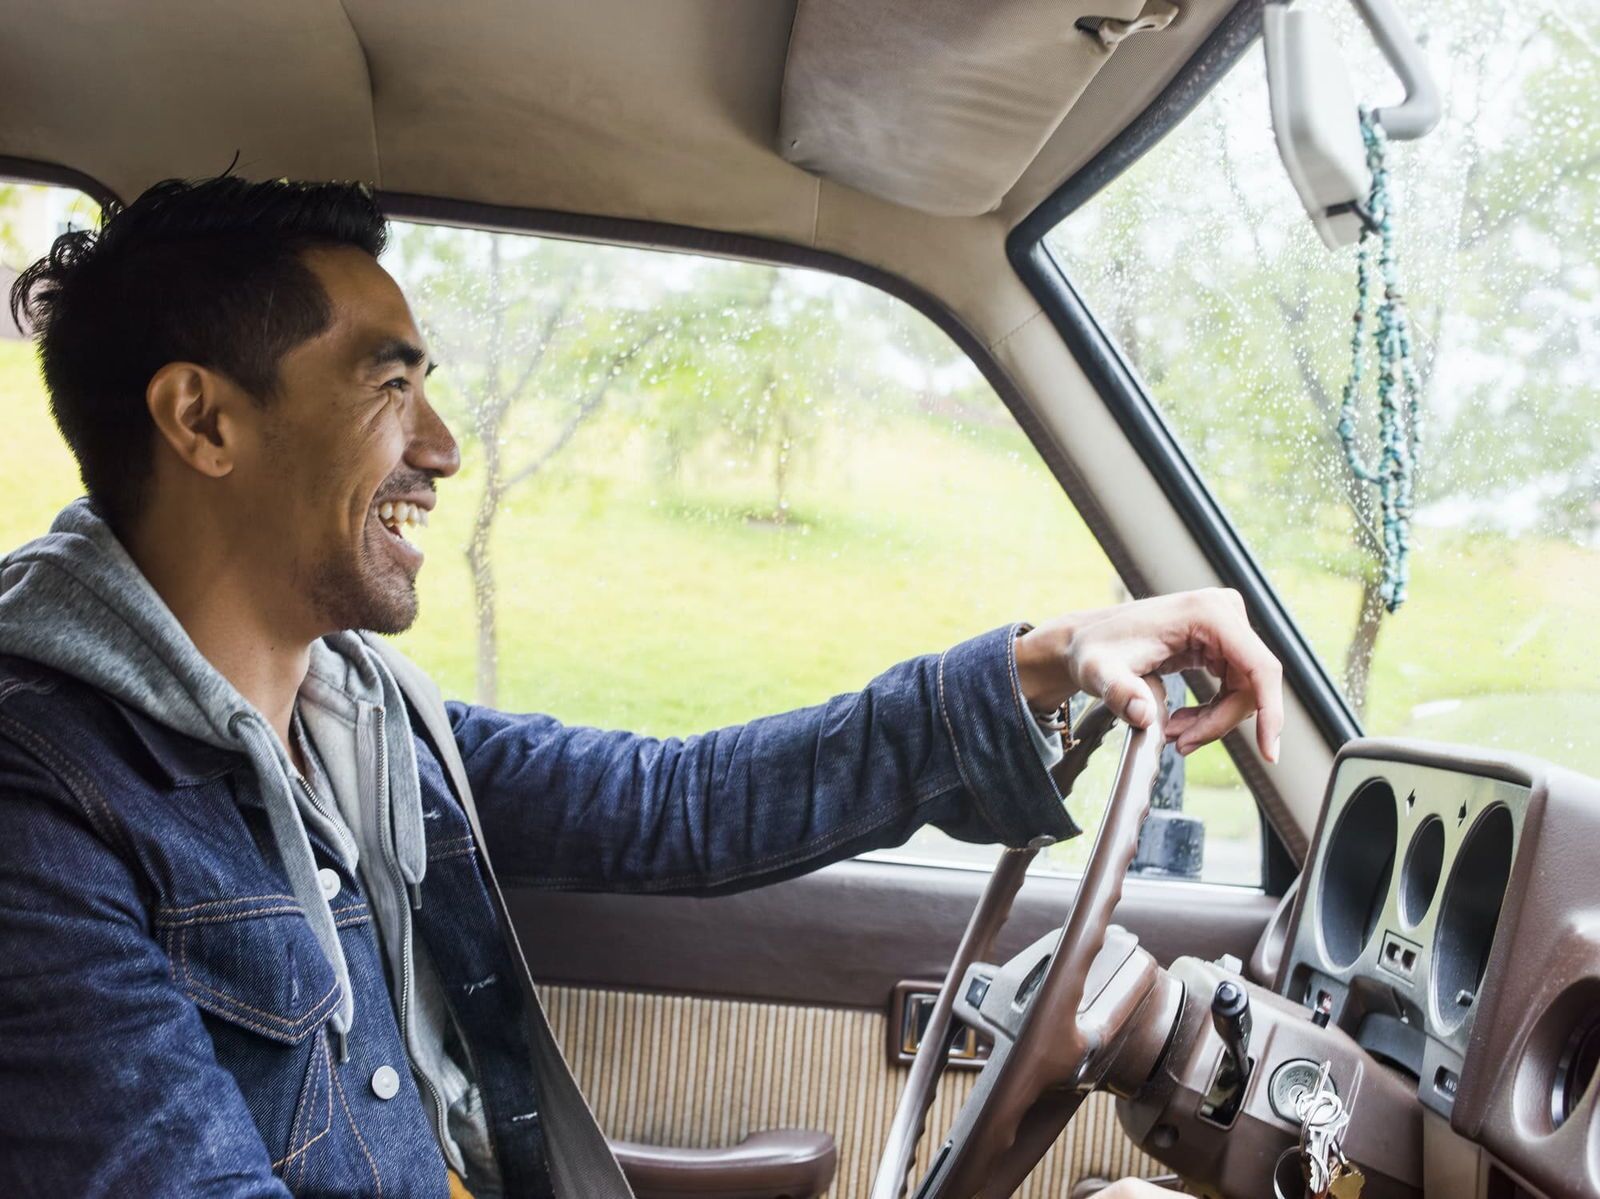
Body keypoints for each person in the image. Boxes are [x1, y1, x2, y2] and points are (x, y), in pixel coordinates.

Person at [0, 176, 1281, 1197]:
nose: (443, 448)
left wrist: (1036, 667)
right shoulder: (43, 815)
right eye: (391, 387)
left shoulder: (351, 721)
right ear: (203, 421)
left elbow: (672, 803)